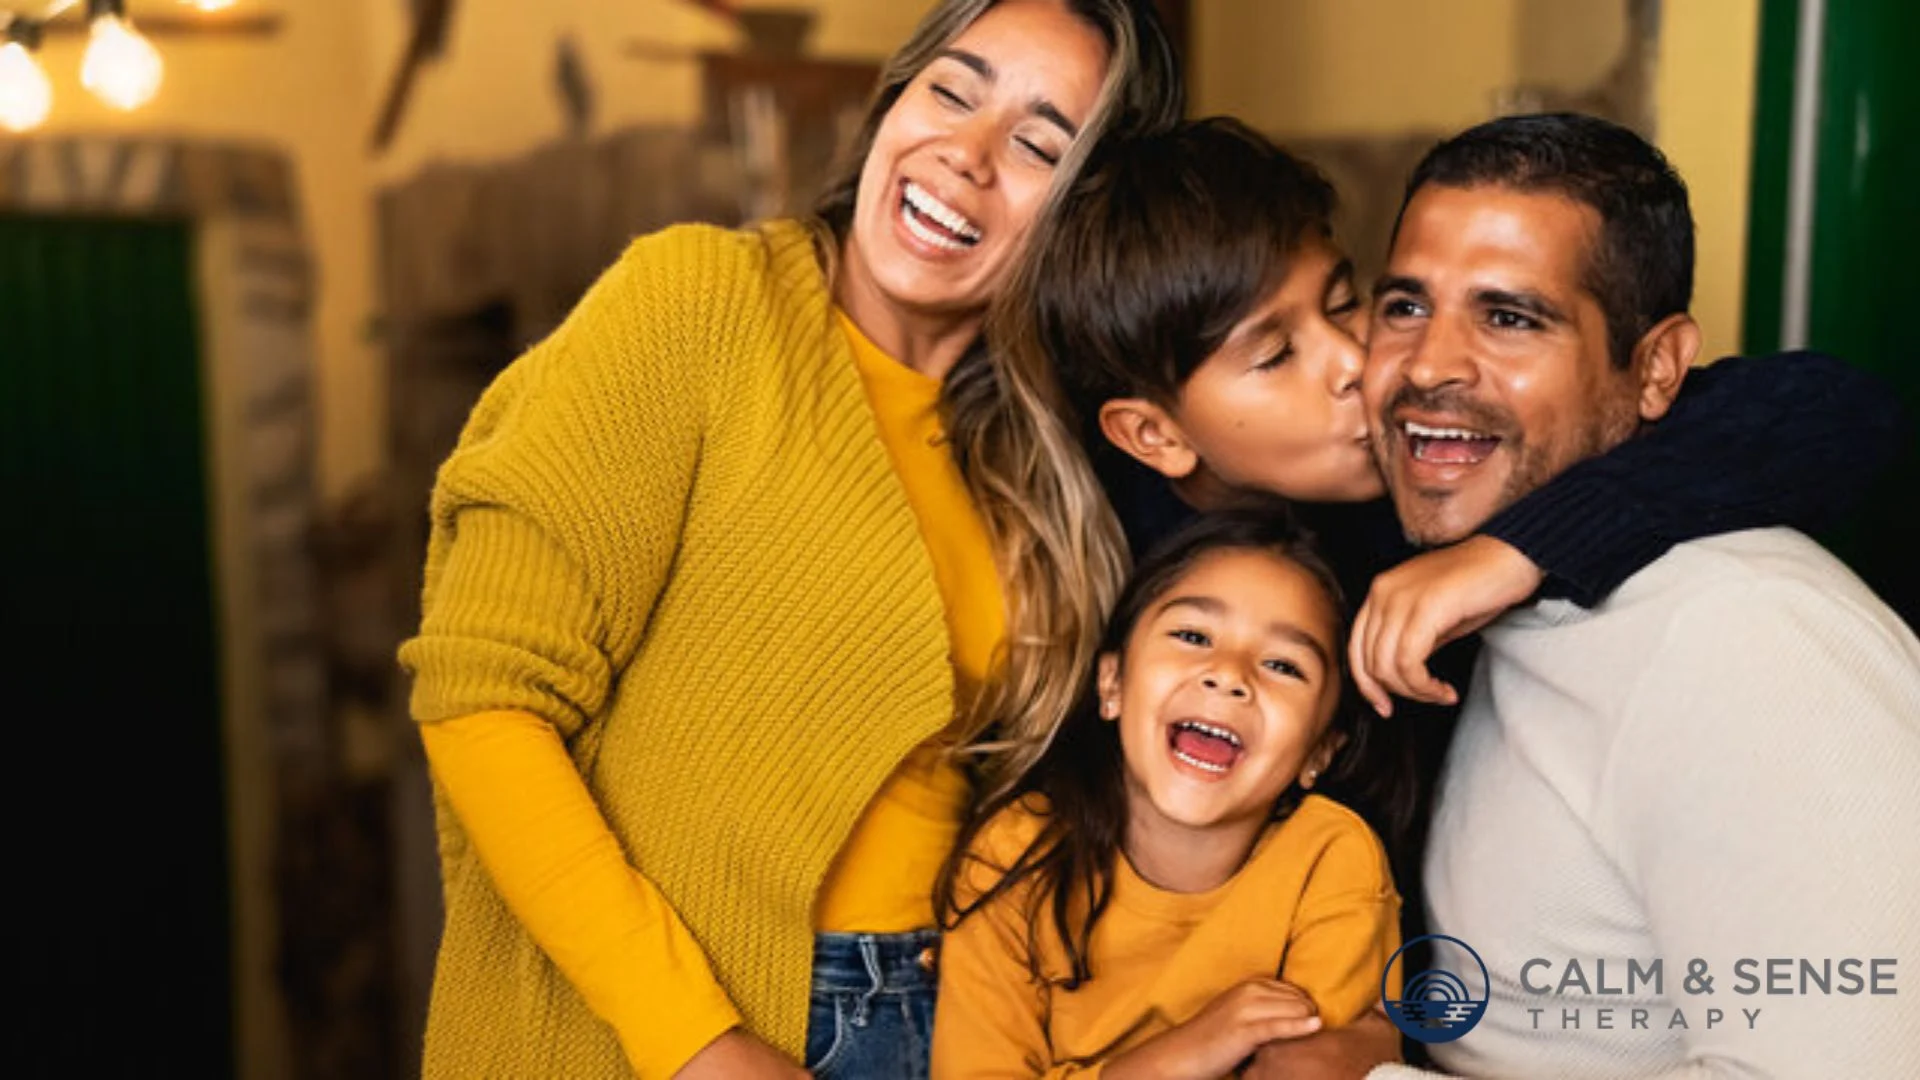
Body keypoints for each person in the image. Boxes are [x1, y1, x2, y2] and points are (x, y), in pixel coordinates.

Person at [395, 2, 1182, 1077]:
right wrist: (698, 1043)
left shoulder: (1042, 460)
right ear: (892, 101)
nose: (967, 154)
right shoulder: (702, 306)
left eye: (1040, 144)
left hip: (940, 1018)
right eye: (951, 90)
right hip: (680, 1021)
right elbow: (484, 701)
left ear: (1085, 216)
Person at [1349, 113, 1920, 1079]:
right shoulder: (1437, 557)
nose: (1430, 365)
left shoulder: (1751, 643)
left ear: (1656, 368)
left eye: (1510, 317)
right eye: (1405, 307)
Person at [932, 509, 1407, 1077]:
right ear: (1112, 685)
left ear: (1319, 753)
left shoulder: (1330, 857)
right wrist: (1187, 1052)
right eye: (1192, 635)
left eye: (1283, 664)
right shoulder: (1014, 854)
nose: (1229, 675)